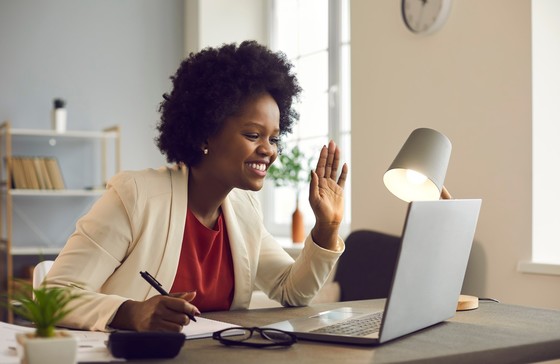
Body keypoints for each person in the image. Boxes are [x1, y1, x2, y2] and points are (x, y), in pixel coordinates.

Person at [46, 40, 349, 332]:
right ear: (205, 134)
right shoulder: (136, 196)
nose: (268, 150)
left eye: (274, 138)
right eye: (253, 135)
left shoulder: (244, 210)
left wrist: (327, 226)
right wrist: (131, 312)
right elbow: (53, 295)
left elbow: (292, 291)